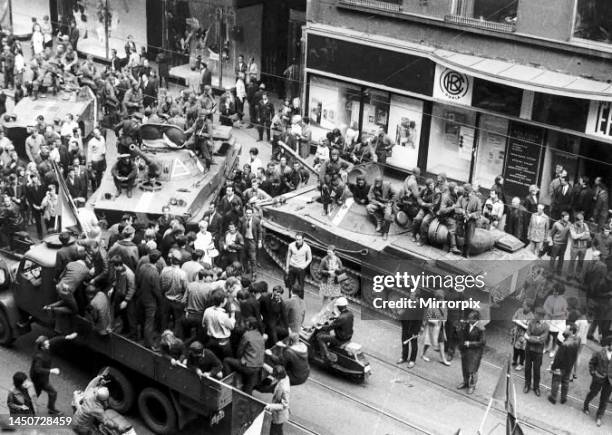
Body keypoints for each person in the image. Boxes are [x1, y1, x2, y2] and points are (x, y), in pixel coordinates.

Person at [30, 333, 77, 415]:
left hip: (41, 377)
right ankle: (49, 409)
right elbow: (37, 369)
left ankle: (28, 406)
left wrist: (66, 337)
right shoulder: (39, 356)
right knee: (52, 392)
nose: (49, 344)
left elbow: (55, 340)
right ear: (42, 347)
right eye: (47, 343)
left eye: (48, 342)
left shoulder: (44, 346)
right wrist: (51, 370)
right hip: (39, 378)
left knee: (37, 392)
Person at [222, 317, 265, 395]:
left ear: (251, 326)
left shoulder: (247, 335)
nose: (245, 326)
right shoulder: (259, 334)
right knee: (247, 390)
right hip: (258, 366)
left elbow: (240, 351)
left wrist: (240, 359)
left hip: (248, 366)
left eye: (246, 325)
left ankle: (228, 384)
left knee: (226, 360)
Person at [583, 335, 612, 427]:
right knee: (593, 393)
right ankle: (585, 405)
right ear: (610, 343)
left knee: (604, 399)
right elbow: (592, 363)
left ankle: (599, 416)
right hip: (598, 377)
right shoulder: (600, 351)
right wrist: (593, 373)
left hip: (610, 381)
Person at [548, 324, 579, 405]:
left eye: (566, 329)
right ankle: (563, 398)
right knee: (565, 383)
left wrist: (553, 367)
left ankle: (553, 398)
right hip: (569, 367)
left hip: (560, 367)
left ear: (571, 331)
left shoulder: (565, 344)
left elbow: (558, 358)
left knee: (556, 381)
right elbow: (575, 356)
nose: (564, 330)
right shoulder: (576, 341)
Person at [316, 297, 353, 363]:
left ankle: (327, 356)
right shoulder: (350, 314)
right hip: (347, 337)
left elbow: (329, 327)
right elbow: (342, 320)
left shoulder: (341, 318)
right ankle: (328, 350)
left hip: (340, 339)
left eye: (338, 306)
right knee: (329, 336)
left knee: (319, 337)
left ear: (340, 307)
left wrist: (321, 326)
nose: (337, 308)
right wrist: (336, 317)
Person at [457, 310, 485, 395]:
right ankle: (465, 382)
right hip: (466, 350)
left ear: (476, 319)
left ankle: (472, 385)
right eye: (468, 318)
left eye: (470, 319)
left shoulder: (481, 328)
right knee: (465, 367)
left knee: (473, 369)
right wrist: (459, 329)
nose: (468, 320)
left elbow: (482, 342)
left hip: (475, 352)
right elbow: (462, 336)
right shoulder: (466, 325)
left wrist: (470, 343)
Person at [524, 307, 549, 396]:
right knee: (527, 368)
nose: (534, 315)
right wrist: (535, 338)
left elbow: (541, 340)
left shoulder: (546, 326)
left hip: (538, 352)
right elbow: (526, 334)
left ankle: (536, 387)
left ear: (541, 316)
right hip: (528, 349)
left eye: (536, 314)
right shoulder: (531, 322)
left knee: (536, 370)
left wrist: (530, 338)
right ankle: (527, 384)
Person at [422, 290, 451, 366]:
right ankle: (423, 354)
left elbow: (445, 314)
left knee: (441, 342)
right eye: (441, 298)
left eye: (443, 298)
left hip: (440, 327)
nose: (442, 300)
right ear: (437, 299)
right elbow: (428, 318)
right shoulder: (432, 306)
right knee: (428, 342)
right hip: (433, 327)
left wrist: (443, 319)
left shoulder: (444, 305)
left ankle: (443, 359)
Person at [397, 290, 424, 368]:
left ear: (416, 297)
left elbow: (419, 320)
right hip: (406, 326)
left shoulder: (419, 306)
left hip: (413, 328)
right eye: (410, 295)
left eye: (412, 295)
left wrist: (416, 331)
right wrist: (400, 314)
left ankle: (412, 360)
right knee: (404, 342)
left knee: (414, 345)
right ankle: (404, 357)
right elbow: (404, 312)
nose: (410, 296)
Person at [265, 365, 290, 435]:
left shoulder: (284, 388)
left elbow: (284, 405)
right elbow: (272, 370)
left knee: (273, 432)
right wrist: (262, 364)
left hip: (279, 415)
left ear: (278, 376)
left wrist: (270, 406)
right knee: (278, 431)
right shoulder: (285, 376)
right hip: (279, 415)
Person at [285, 233, 311, 299]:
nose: (297, 241)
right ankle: (290, 298)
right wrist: (287, 267)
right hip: (292, 266)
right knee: (290, 284)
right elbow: (288, 256)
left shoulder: (307, 247)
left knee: (301, 285)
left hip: (300, 268)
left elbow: (309, 258)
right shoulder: (291, 245)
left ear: (303, 239)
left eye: (299, 239)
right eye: (296, 239)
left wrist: (304, 266)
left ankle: (301, 300)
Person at [567, 211, 591, 281]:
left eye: (582, 220)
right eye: (580, 221)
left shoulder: (585, 225)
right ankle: (569, 275)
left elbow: (588, 235)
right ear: (576, 221)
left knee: (580, 262)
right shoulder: (572, 226)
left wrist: (579, 236)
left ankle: (577, 275)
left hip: (583, 248)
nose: (581, 222)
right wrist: (583, 234)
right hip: (575, 248)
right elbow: (574, 236)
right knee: (572, 261)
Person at [511, 301, 534, 371]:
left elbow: (529, 328)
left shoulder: (531, 316)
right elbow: (513, 318)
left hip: (524, 335)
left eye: (525, 305)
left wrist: (519, 323)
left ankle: (521, 364)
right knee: (515, 347)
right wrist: (516, 321)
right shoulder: (519, 310)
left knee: (522, 350)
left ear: (529, 308)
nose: (523, 306)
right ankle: (514, 360)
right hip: (516, 332)